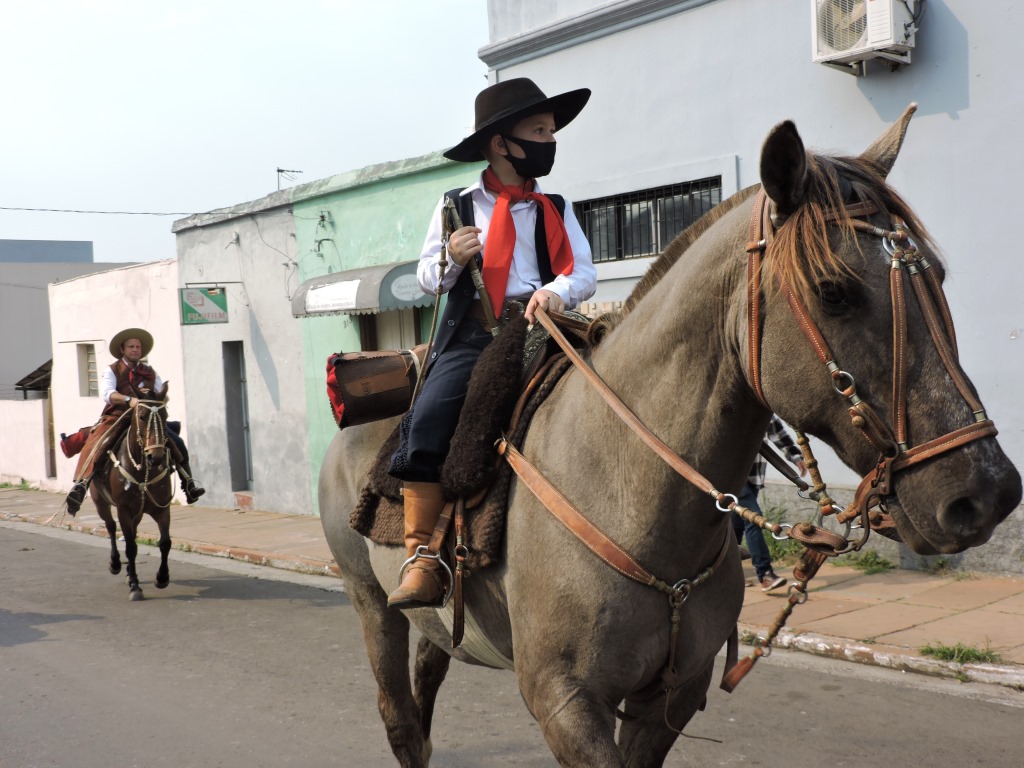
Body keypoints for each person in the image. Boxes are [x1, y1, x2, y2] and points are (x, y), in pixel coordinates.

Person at [385, 78, 597, 609]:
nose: (551, 140)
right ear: (502, 143)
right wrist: (452, 259)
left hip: (542, 325)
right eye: (540, 131)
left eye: (550, 131)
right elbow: (427, 282)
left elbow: (585, 274)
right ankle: (423, 556)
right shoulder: (455, 205)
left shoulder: (555, 206)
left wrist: (554, 291)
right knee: (432, 414)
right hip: (475, 332)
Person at [64, 328, 205, 515]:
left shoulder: (149, 372)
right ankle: (81, 485)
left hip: (146, 417)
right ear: (123, 349)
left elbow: (162, 393)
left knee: (176, 441)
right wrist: (129, 400)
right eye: (131, 346)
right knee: (97, 441)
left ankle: (188, 483)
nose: (135, 350)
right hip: (118, 415)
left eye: (138, 347)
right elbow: (108, 394)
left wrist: (153, 399)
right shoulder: (112, 370)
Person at [734, 415, 807, 592]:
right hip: (732, 475)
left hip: (753, 475)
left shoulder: (762, 409)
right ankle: (766, 574)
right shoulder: (731, 406)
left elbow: (777, 432)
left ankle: (729, 575)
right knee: (754, 519)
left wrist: (796, 457)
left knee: (734, 526)